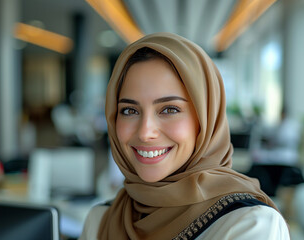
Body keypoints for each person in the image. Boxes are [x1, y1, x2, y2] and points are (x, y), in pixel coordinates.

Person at [80, 33, 290, 240]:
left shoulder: (249, 223)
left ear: (205, 118)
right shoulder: (101, 220)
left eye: (169, 109)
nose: (145, 133)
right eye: (129, 111)